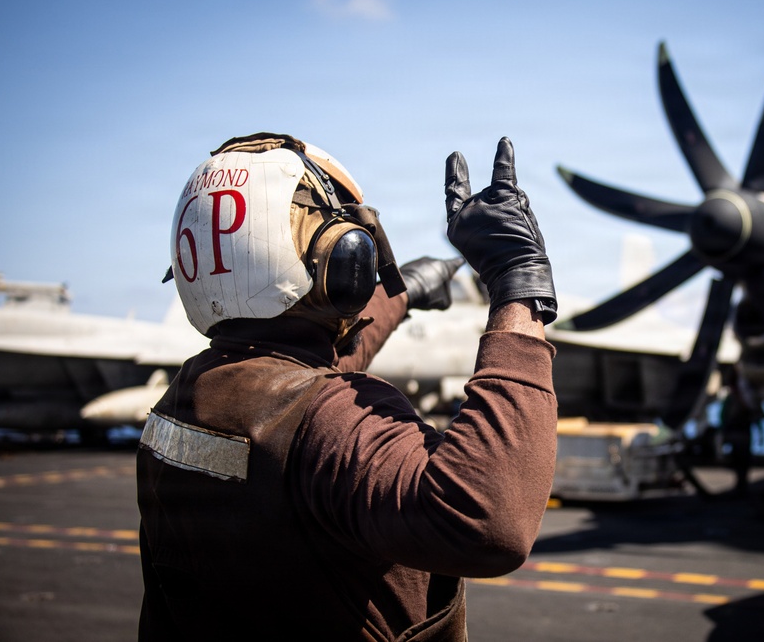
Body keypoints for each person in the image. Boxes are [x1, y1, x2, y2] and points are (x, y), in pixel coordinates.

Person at [136, 132, 559, 641]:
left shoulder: (188, 396)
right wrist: (518, 280)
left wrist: (403, 293)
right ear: (340, 259)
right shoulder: (330, 423)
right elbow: (489, 520)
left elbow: (296, 375)